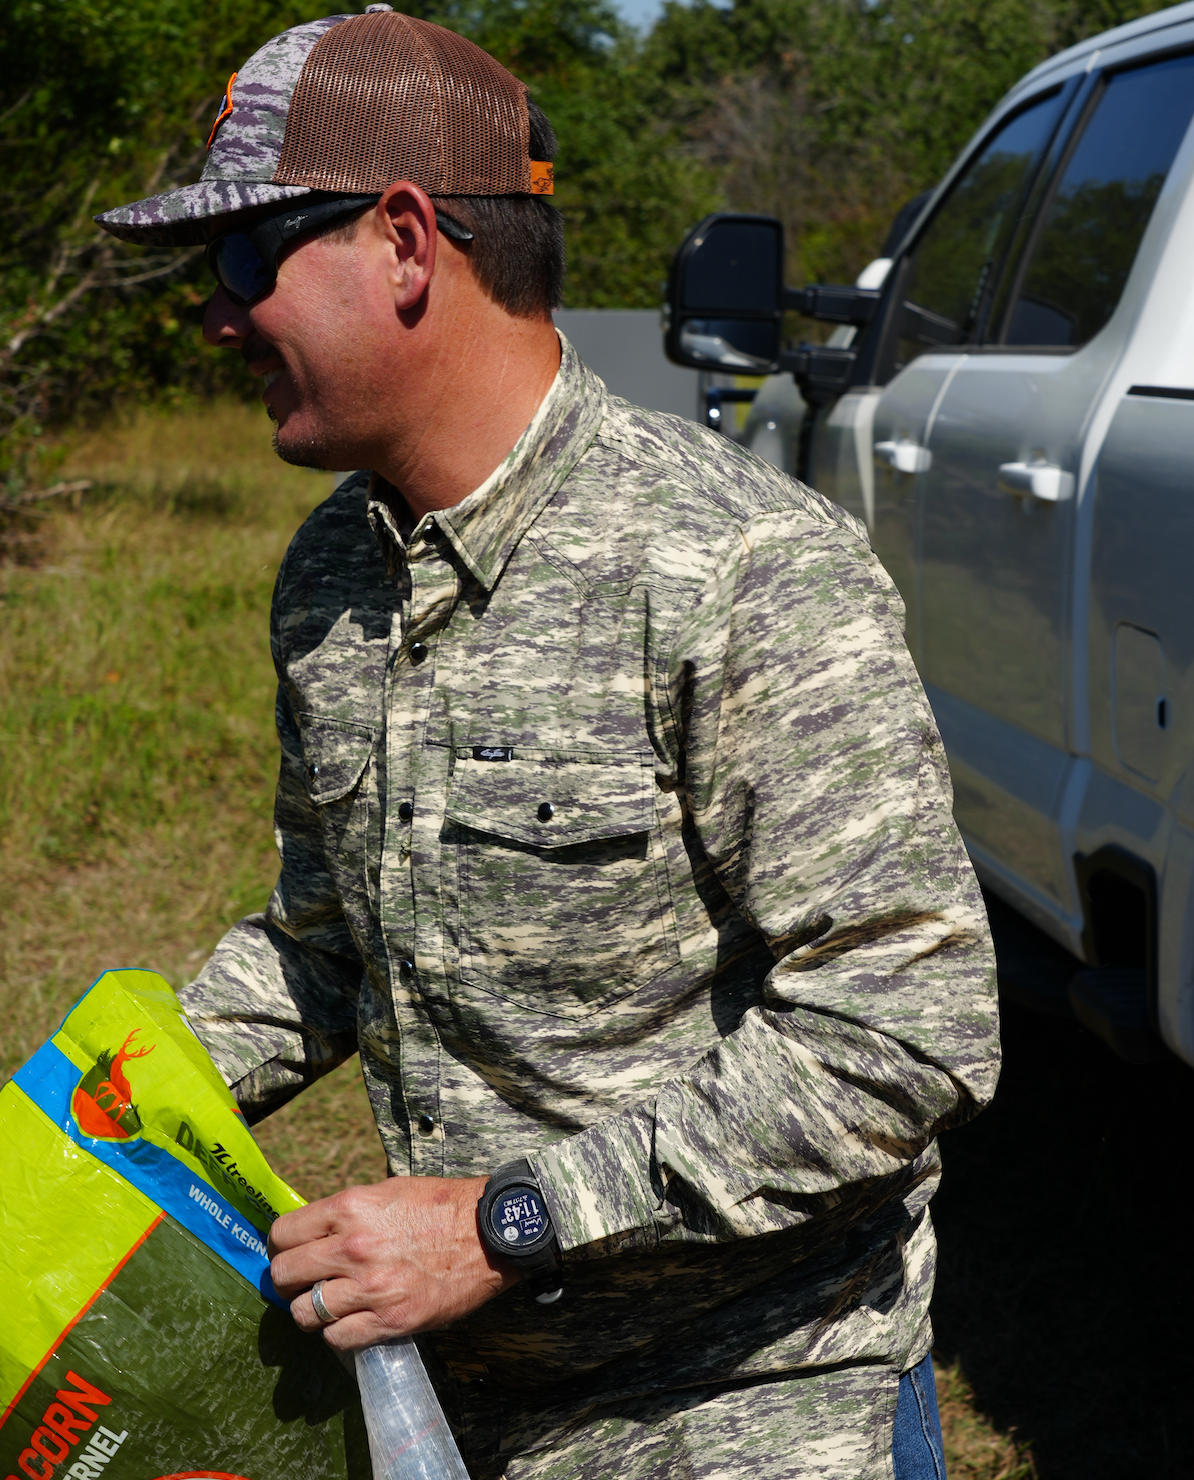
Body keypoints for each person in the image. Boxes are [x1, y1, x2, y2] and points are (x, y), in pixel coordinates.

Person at [97, 10, 998, 1479]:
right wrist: (74, 1120)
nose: (214, 313)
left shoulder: (738, 565)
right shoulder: (337, 573)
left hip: (751, 1405)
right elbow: (326, 942)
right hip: (473, 1408)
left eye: (245, 256)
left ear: (402, 240)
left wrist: (501, 1225)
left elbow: (900, 1032)